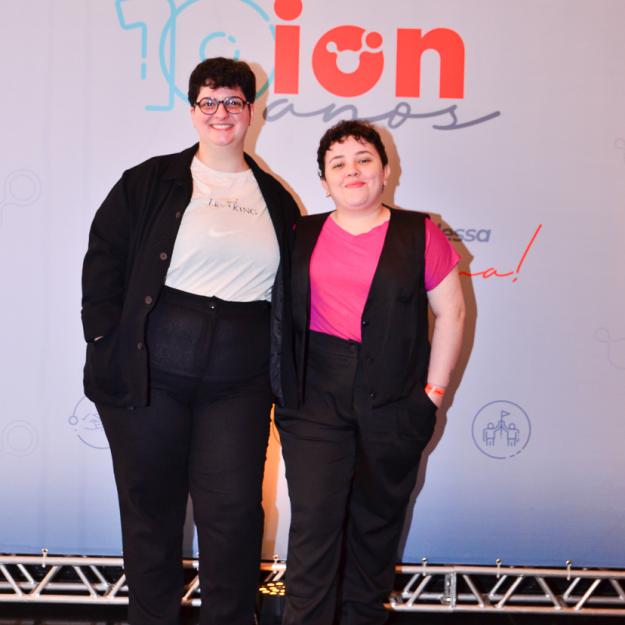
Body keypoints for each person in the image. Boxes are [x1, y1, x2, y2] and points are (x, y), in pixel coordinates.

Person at [81, 57, 299, 625]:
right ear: (192, 110)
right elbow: (103, 259)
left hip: (240, 386)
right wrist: (103, 339)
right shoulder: (148, 181)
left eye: (233, 101)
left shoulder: (276, 200)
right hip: (152, 377)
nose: (220, 113)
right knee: (150, 514)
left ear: (251, 111)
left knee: (233, 516)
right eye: (209, 101)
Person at [276, 120, 465, 625]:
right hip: (314, 395)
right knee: (314, 524)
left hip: (396, 398)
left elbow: (452, 313)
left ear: (385, 171)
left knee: (375, 525)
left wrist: (433, 393)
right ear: (324, 182)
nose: (352, 170)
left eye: (363, 159)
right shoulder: (299, 233)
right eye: (337, 163)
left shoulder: (419, 233)